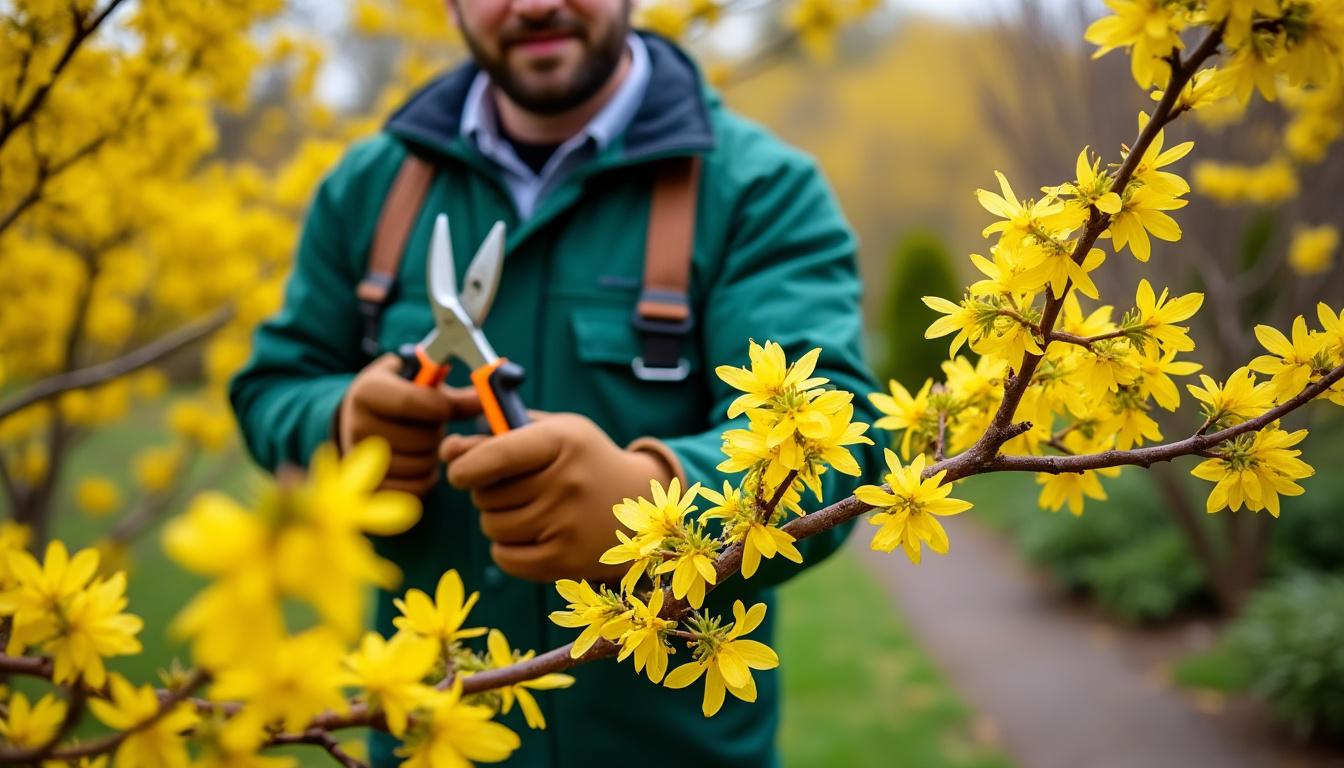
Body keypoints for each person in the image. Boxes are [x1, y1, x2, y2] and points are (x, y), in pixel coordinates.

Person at [228, 0, 885, 763]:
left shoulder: (761, 190)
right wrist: (340, 425)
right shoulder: (366, 188)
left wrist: (657, 497)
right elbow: (272, 385)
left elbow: (844, 439)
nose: (536, 5)